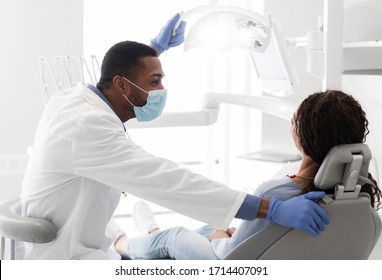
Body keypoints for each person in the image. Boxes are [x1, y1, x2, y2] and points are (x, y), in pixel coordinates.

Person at [18, 14, 328, 260]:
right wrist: (271, 209)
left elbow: (117, 72)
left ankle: (141, 234)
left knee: (193, 231)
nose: (161, 90)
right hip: (70, 259)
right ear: (122, 85)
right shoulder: (86, 126)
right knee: (172, 237)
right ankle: (141, 234)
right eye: (154, 81)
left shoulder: (74, 99)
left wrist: (153, 50)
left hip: (90, 241)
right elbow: (168, 180)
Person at [115, 90, 382, 260]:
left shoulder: (277, 194)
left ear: (304, 136)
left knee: (174, 237)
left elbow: (231, 256)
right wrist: (228, 232)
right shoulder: (361, 205)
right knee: (209, 228)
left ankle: (126, 243)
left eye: (295, 120)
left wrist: (223, 236)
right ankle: (151, 235)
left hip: (225, 265)